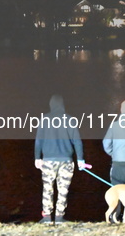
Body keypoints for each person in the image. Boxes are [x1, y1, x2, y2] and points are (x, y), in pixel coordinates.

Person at [34, 94, 85, 225]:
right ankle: (59, 217)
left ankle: (46, 217)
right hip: (66, 160)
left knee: (47, 188)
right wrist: (80, 159)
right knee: (63, 189)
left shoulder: (45, 119)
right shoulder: (69, 119)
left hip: (48, 160)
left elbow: (38, 141)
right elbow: (77, 141)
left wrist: (37, 157)